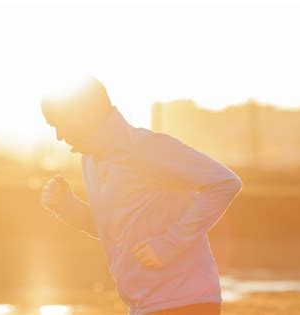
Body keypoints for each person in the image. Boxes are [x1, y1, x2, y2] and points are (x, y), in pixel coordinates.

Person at [40, 75, 243, 315]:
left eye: (61, 124)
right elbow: (115, 230)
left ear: (88, 114)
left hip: (186, 301)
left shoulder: (147, 148)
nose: (59, 136)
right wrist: (67, 206)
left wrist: (170, 243)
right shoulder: (90, 163)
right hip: (140, 306)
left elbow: (224, 183)